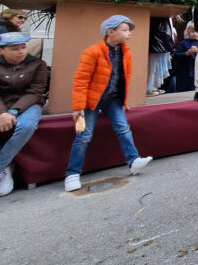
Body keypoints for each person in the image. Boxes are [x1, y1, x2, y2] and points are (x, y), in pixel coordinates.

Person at [64, 15, 153, 192]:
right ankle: (72, 173)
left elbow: (123, 79)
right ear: (110, 32)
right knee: (84, 135)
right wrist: (78, 106)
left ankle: (133, 160)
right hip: (91, 101)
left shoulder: (126, 52)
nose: (129, 34)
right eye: (125, 30)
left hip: (113, 99)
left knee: (123, 127)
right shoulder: (93, 51)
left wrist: (123, 100)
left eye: (129, 30)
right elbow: (81, 80)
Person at [0, 32, 48, 203]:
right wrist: (0, 113)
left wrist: (14, 112)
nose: (21, 52)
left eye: (23, 47)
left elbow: (35, 91)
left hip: (28, 105)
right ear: (0, 50)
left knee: (27, 126)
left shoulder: (38, 65)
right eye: (15, 49)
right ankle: (4, 168)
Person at [146, 17, 174, 96]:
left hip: (161, 38)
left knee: (158, 64)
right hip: (156, 38)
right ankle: (150, 88)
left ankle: (154, 86)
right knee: (154, 65)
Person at [173, 23, 198, 92]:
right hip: (183, 73)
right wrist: (186, 53)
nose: (195, 33)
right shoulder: (183, 43)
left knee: (194, 91)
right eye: (193, 32)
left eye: (197, 32)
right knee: (181, 91)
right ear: (188, 32)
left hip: (197, 74)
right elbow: (176, 55)